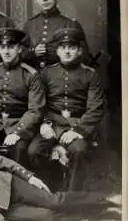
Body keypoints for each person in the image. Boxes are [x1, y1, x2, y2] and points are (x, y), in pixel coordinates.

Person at [28, 28, 104, 191]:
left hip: (76, 126)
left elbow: (95, 108)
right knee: (34, 151)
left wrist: (78, 131)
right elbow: (39, 104)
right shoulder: (46, 73)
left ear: (79, 51)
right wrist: (44, 124)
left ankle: (72, 197)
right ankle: (49, 191)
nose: (67, 51)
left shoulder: (90, 75)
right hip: (52, 124)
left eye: (72, 47)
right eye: (63, 47)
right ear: (57, 51)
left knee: (79, 151)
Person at [0, 28, 45, 165]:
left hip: (20, 123)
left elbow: (35, 110)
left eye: (11, 47)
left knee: (19, 149)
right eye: (2, 47)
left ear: (19, 49)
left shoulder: (31, 75)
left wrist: (18, 132)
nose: (6, 51)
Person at [23, 0, 91, 69]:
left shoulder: (71, 24)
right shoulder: (29, 25)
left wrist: (58, 53)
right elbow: (19, 53)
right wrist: (33, 52)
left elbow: (84, 57)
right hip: (34, 78)